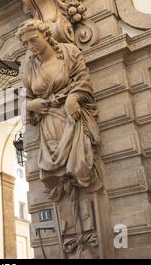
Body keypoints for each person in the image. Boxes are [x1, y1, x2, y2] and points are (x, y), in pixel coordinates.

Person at [16, 19, 103, 202]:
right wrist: (32, 105)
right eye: (25, 43)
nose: (30, 46)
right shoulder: (30, 67)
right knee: (55, 172)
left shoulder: (68, 52)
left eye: (33, 39)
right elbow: (25, 98)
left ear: (45, 34)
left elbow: (83, 79)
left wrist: (73, 98)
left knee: (78, 164)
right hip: (47, 125)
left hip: (71, 118)